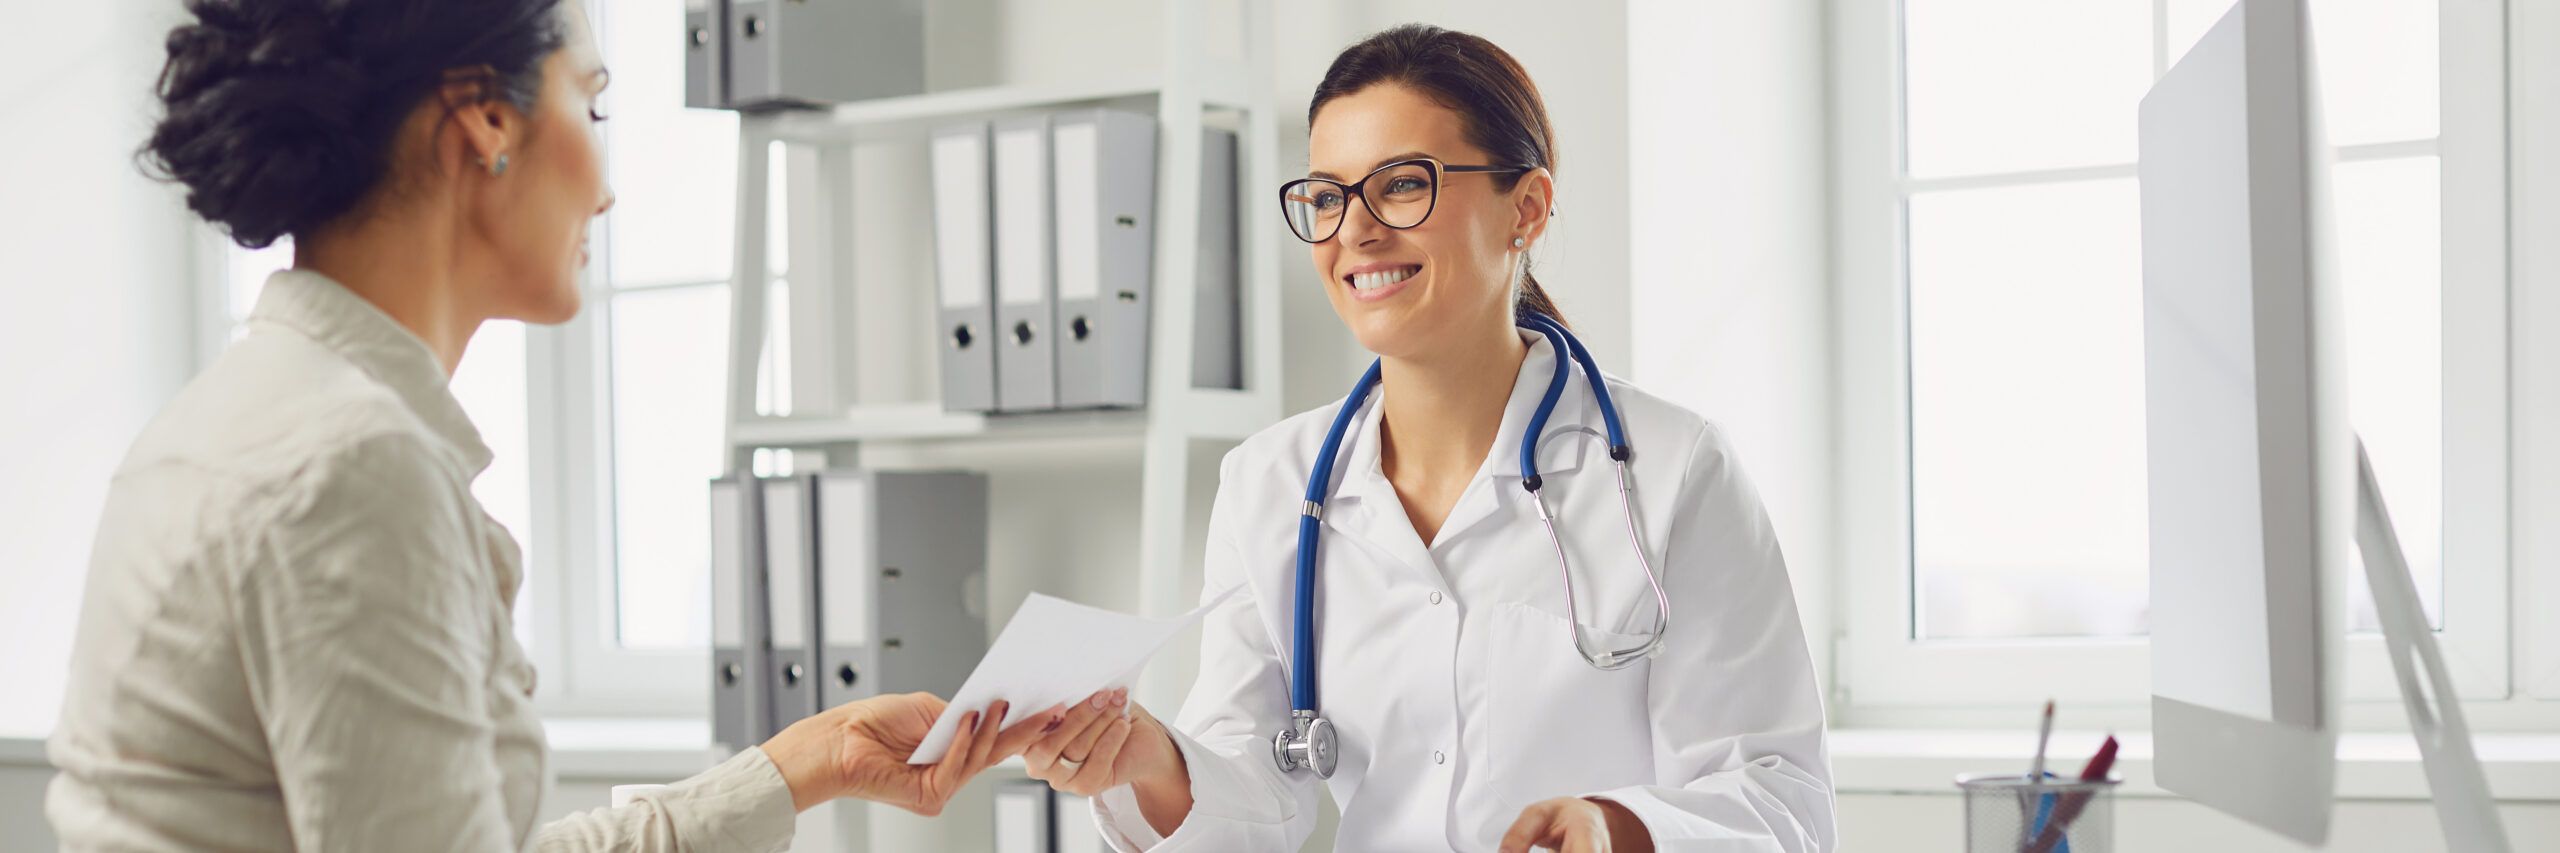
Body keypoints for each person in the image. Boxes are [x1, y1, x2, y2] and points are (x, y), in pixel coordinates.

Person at [45, 1, 1065, 849]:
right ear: (484, 120)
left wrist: (801, 767)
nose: (611, 189)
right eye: (593, 102)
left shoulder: (247, 413)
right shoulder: (354, 469)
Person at [1012, 24, 1837, 852]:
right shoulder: (1271, 483)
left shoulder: (1672, 470)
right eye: (1328, 196)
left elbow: (1783, 801)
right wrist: (1149, 758)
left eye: (1403, 185)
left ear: (1527, 207)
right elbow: (1256, 795)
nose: (1356, 231)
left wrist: (1617, 826)